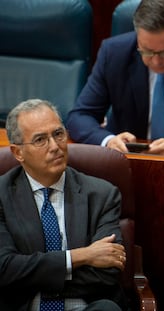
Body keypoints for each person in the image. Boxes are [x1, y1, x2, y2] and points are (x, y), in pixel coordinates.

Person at [0, 99, 127, 310]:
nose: (55, 146)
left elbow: (108, 272)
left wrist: (32, 277)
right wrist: (81, 256)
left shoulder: (102, 194)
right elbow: (4, 269)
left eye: (58, 134)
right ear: (17, 152)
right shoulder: (2, 195)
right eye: (40, 140)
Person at [66, 0, 164, 156]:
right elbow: (79, 116)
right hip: (129, 162)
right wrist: (108, 140)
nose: (156, 62)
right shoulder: (114, 53)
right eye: (147, 51)